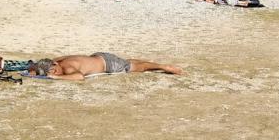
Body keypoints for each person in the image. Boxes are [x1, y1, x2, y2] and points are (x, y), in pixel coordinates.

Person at [26, 52, 183, 80]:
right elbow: (37, 65)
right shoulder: (57, 60)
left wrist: (54, 77)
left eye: (54, 72)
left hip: (108, 64)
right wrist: (33, 70)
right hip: (99, 57)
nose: (55, 73)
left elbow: (79, 77)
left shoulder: (67, 69)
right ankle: (155, 64)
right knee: (128, 62)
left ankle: (164, 67)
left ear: (53, 68)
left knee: (136, 68)